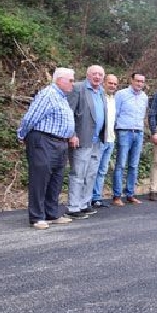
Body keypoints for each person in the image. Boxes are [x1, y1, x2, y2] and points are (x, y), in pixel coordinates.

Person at [17, 68, 76, 230]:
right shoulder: (48, 94)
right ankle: (36, 216)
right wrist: (22, 135)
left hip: (60, 142)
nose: (73, 83)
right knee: (40, 178)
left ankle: (51, 213)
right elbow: (30, 117)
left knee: (55, 180)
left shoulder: (62, 97)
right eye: (70, 80)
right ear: (59, 80)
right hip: (43, 140)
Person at [66, 65, 108, 219]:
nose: (97, 76)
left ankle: (84, 204)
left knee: (91, 174)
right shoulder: (78, 88)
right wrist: (72, 134)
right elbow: (69, 112)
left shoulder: (102, 92)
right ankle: (73, 207)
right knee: (78, 174)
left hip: (97, 141)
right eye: (94, 74)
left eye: (100, 74)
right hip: (81, 139)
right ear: (87, 75)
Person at [112, 73, 149, 206]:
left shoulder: (144, 97)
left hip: (138, 133)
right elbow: (115, 114)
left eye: (142, 81)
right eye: (137, 81)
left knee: (134, 165)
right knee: (121, 164)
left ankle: (130, 194)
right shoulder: (121, 94)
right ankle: (117, 196)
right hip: (124, 132)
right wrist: (113, 130)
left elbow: (143, 116)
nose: (140, 83)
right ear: (131, 80)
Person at [91, 74, 118, 207]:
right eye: (110, 83)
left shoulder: (114, 99)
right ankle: (88, 198)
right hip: (99, 140)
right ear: (104, 83)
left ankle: (96, 197)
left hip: (110, 139)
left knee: (102, 170)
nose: (112, 86)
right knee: (93, 169)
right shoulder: (99, 97)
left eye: (114, 84)